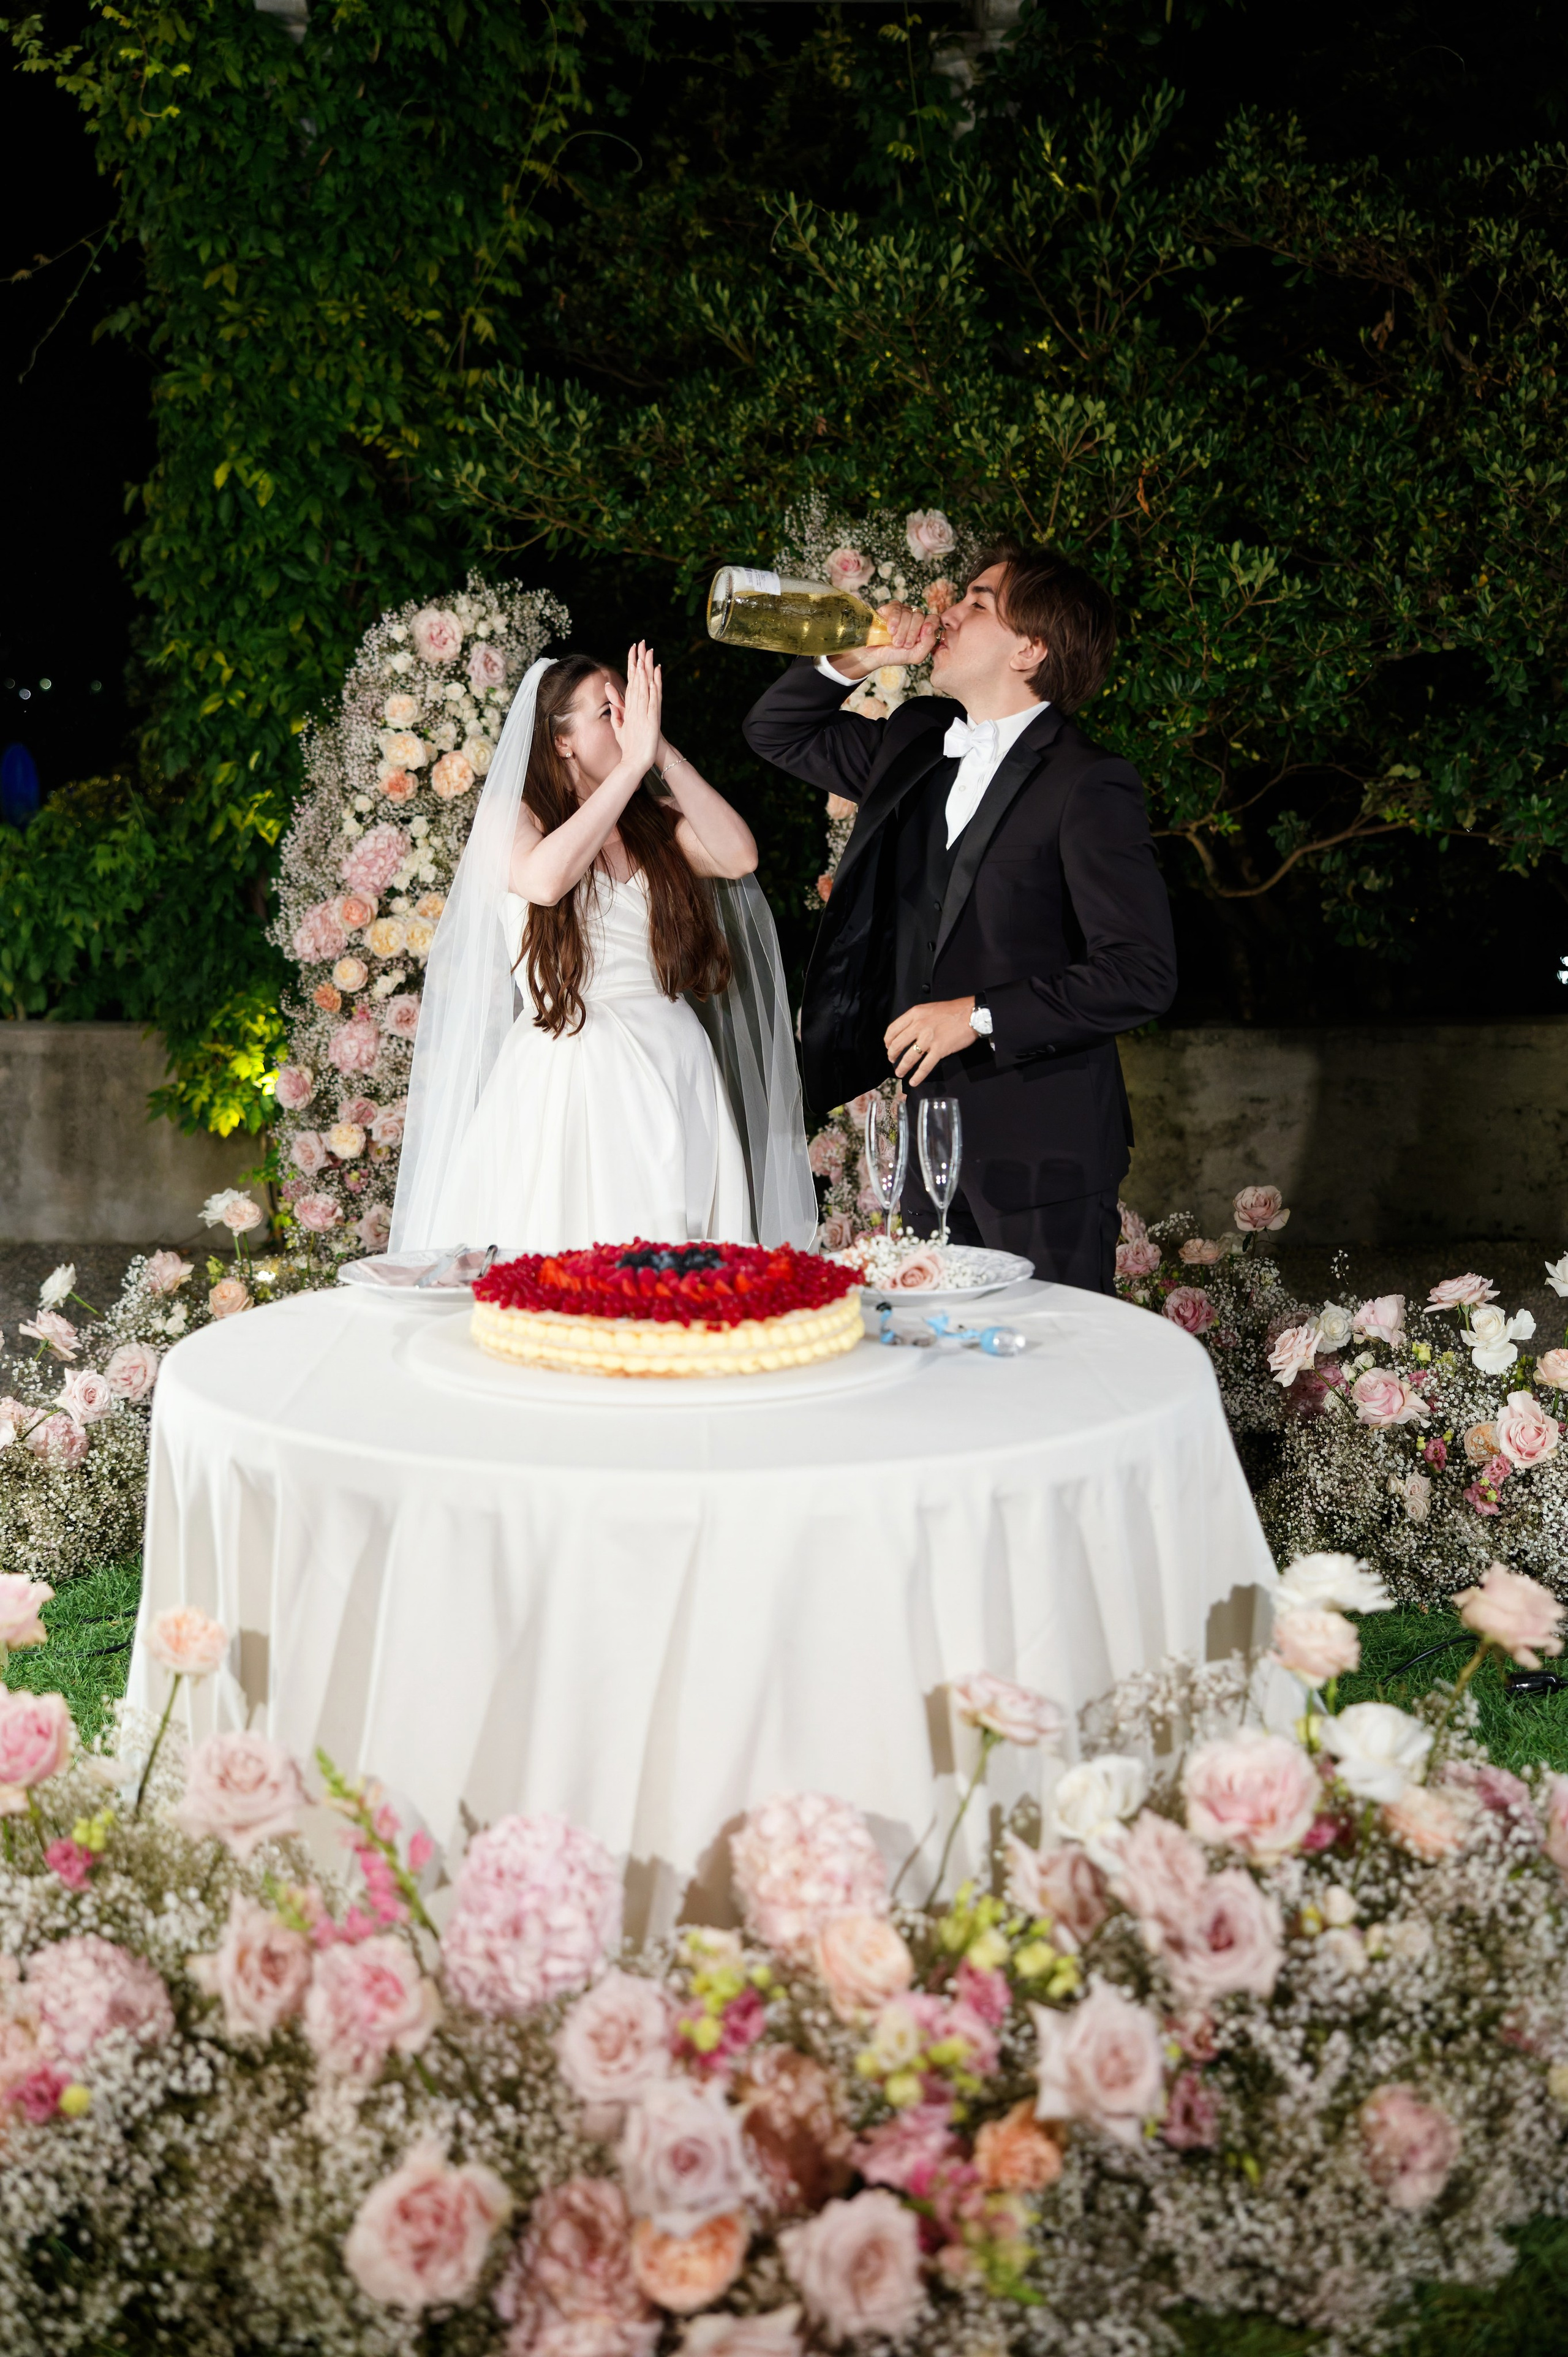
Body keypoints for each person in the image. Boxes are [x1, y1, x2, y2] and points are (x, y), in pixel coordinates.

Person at [742, 540, 1177, 1293]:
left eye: (978, 603)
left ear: (1030, 649)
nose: (946, 611)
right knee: (943, 1372)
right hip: (928, 1143)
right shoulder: (916, 739)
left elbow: (1139, 973)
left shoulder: (1088, 782)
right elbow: (777, 731)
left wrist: (975, 1016)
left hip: (1045, 1149)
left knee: (1048, 1376)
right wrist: (861, 658)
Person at [391, 645, 815, 1255]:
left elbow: (737, 855)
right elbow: (544, 880)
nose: (625, 719)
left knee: (682, 1262)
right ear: (561, 741)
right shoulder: (513, 817)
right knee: (575, 1247)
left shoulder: (656, 822)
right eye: (607, 710)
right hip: (575, 1065)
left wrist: (660, 752)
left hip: (675, 1059)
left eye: (630, 705)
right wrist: (629, 766)